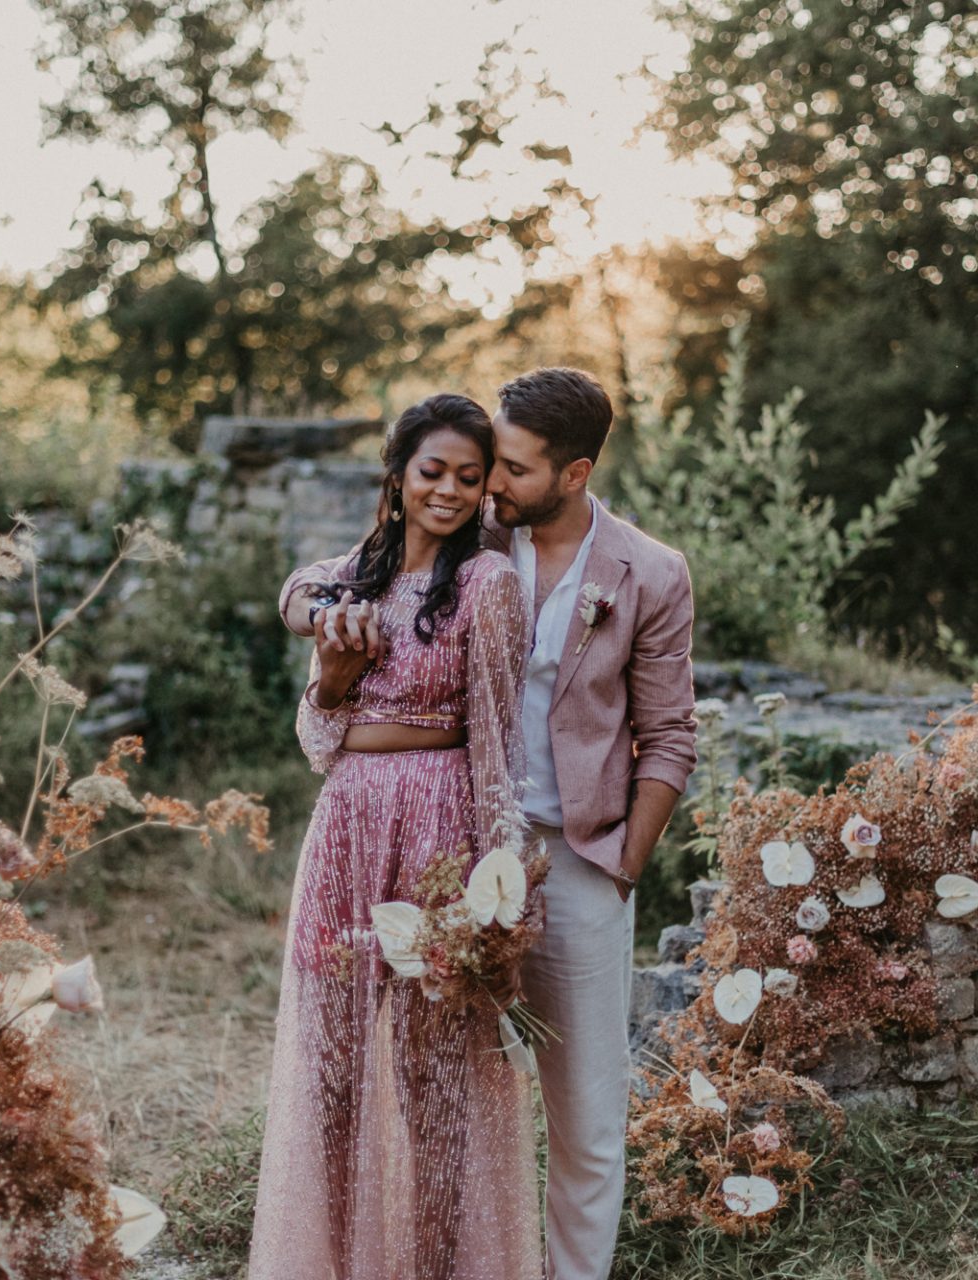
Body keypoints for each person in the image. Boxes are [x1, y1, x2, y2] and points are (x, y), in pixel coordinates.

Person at [279, 368, 698, 1280]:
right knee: (447, 1091)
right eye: (484, 465)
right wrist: (314, 612)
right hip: (445, 850)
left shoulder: (650, 572)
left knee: (584, 1117)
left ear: (574, 472)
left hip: (576, 860)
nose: (488, 486)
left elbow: (669, 738)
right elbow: (335, 570)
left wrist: (622, 867)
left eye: (508, 468)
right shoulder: (472, 532)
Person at [249, 393, 541, 1280]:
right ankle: (335, 1262)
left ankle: (440, 1263)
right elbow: (315, 741)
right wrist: (330, 673)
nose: (447, 491)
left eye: (466, 476)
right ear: (399, 474)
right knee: (330, 1069)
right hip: (344, 827)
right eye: (431, 472)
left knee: (435, 1076)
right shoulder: (354, 579)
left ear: (486, 487)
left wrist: (498, 877)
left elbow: (498, 737)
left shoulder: (488, 586)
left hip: (438, 828)